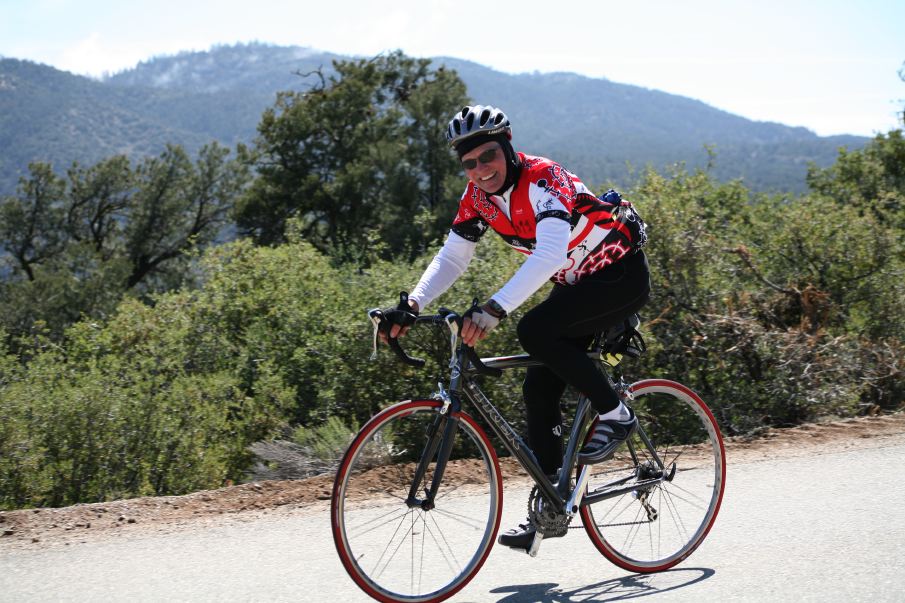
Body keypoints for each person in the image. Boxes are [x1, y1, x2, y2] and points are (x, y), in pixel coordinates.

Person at [382, 105, 651, 551]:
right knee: (538, 389)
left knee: (536, 332)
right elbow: (452, 258)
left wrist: (493, 309)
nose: (480, 169)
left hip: (618, 274)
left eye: (488, 156)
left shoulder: (544, 180)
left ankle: (615, 414)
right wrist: (411, 303)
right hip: (577, 282)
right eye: (469, 163)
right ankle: (550, 503)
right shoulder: (478, 198)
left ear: (507, 147)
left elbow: (547, 255)